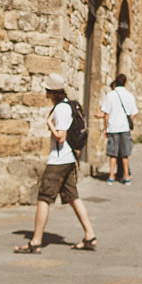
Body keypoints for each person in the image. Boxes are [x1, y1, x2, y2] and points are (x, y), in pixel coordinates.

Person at [15, 74, 97, 252]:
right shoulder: (69, 105)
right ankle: (89, 235)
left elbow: (61, 137)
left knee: (44, 197)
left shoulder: (60, 109)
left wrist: (48, 123)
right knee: (73, 197)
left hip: (58, 160)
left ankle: (36, 241)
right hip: (69, 159)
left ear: (51, 92)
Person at [100, 73, 138, 185]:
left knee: (113, 154)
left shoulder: (110, 95)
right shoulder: (130, 96)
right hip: (124, 127)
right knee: (125, 154)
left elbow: (106, 113)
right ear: (125, 83)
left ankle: (111, 176)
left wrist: (105, 128)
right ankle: (126, 176)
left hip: (113, 127)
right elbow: (133, 114)